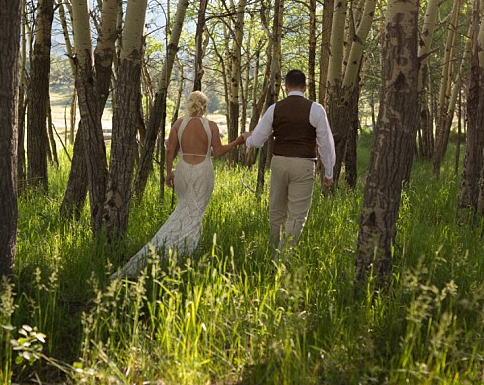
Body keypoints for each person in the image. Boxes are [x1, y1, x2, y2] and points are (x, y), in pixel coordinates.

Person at [113, 90, 247, 279]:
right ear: (204, 106)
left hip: (183, 169)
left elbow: (170, 151)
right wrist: (239, 141)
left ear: (189, 104)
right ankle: (184, 251)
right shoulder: (211, 126)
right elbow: (218, 152)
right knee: (195, 212)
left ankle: (171, 246)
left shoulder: (178, 124)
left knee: (183, 208)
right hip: (203, 171)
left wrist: (169, 172)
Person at [244, 69, 335, 253]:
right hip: (304, 164)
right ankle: (283, 258)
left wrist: (247, 139)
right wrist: (329, 172)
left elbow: (258, 140)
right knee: (296, 216)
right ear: (305, 87)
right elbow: (325, 143)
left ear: (285, 87)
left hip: (279, 162)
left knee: (276, 211)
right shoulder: (316, 109)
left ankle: (272, 251)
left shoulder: (275, 108)